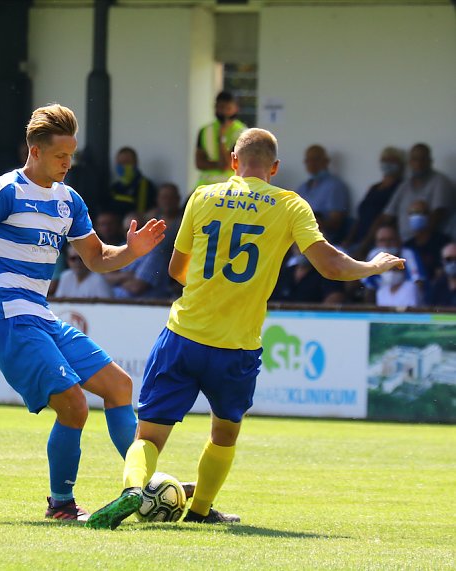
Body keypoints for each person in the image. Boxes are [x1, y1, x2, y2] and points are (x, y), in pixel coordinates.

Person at [85, 128, 404, 530]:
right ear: (274, 167)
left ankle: (133, 488)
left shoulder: (203, 196)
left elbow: (176, 270)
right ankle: (200, 510)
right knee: (224, 433)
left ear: (233, 162)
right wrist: (374, 265)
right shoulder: (290, 205)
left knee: (149, 436)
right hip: (236, 346)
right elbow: (332, 267)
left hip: (183, 333)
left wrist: (209, 288)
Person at [0, 104, 166, 521]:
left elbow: (98, 258)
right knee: (74, 406)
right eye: (60, 156)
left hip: (43, 317)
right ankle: (61, 504)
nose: (68, 163)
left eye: (72, 155)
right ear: (35, 151)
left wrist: (132, 252)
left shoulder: (69, 200)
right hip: (11, 319)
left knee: (119, 386)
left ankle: (142, 488)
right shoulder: (4, 192)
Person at [382, 143, 455, 241]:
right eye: (415, 159)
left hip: (429, 242)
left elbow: (439, 213)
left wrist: (417, 243)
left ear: (430, 161)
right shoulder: (405, 185)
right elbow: (388, 215)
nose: (419, 164)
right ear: (410, 162)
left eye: (423, 159)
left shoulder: (440, 181)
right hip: (402, 242)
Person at [342, 146, 404, 257]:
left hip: (378, 242)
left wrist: (364, 246)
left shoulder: (400, 187)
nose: (387, 164)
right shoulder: (374, 188)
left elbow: (382, 219)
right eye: (385, 160)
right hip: (359, 239)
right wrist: (348, 240)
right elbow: (360, 216)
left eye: (392, 160)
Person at [295, 145, 351, 243]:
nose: (312, 164)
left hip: (323, 238)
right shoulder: (302, 188)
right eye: (308, 160)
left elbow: (336, 222)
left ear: (326, 161)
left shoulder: (334, 186)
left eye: (315, 159)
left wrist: (315, 223)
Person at [194, 91, 247, 189]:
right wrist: (218, 164)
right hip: (206, 187)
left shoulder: (243, 133)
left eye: (228, 108)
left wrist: (221, 137)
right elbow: (199, 163)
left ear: (236, 109)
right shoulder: (205, 130)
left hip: (230, 188)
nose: (224, 113)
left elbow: (227, 164)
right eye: (220, 108)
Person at [106, 146, 156, 218]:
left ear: (135, 163)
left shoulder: (145, 186)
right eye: (120, 163)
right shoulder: (114, 187)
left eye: (126, 162)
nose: (123, 166)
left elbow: (143, 213)